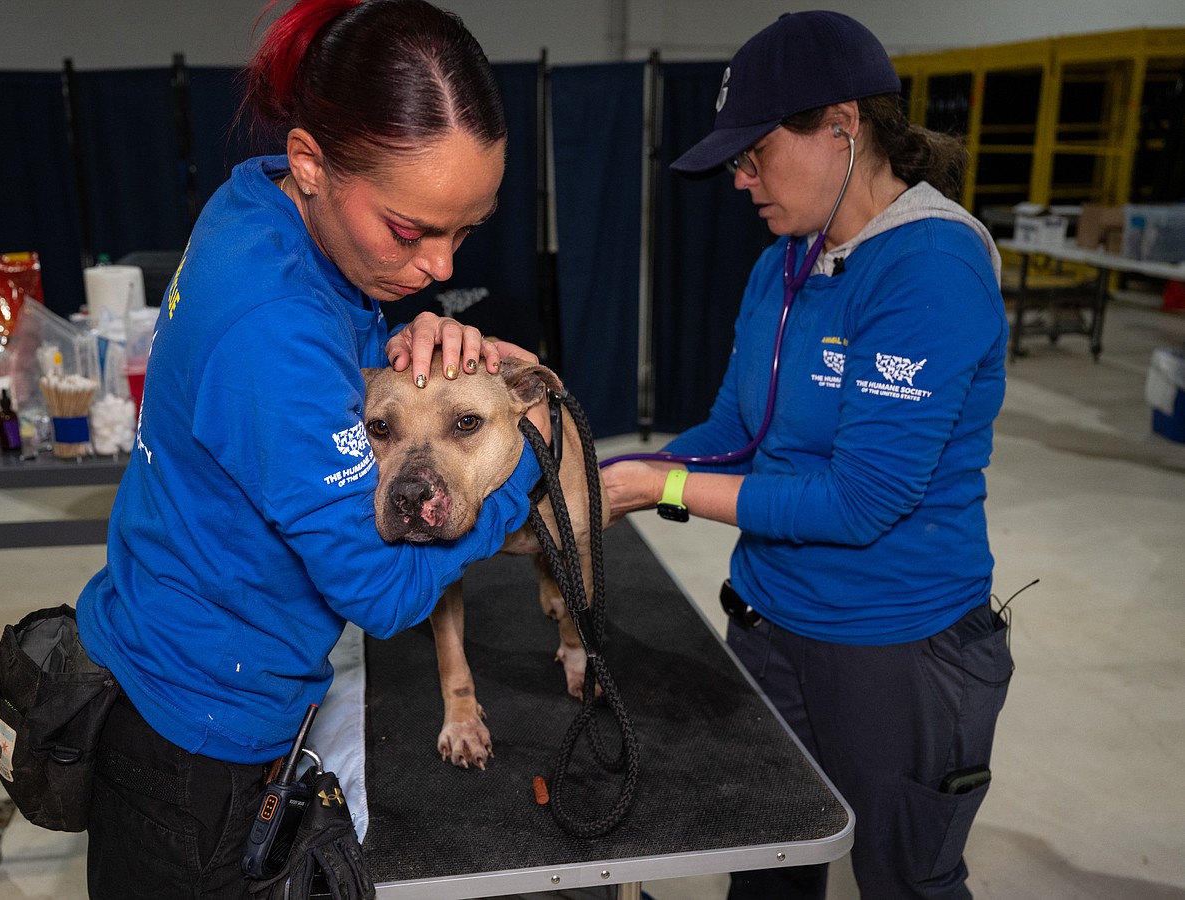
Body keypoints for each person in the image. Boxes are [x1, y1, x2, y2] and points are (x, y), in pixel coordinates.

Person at [74, 0, 547, 897]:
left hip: (175, 667)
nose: (443, 270)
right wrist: (523, 465)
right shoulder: (271, 325)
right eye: (412, 231)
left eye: (465, 231)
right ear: (312, 163)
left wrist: (395, 357)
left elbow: (313, 364)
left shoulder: (262, 201)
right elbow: (382, 592)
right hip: (196, 740)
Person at [600, 11, 1012, 900]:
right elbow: (737, 434)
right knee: (772, 863)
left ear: (842, 126)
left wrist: (659, 486)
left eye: (754, 154)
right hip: (770, 624)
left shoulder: (931, 266)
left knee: (906, 880)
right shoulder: (784, 262)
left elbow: (861, 500)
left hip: (892, 647)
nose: (742, 180)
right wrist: (612, 478)